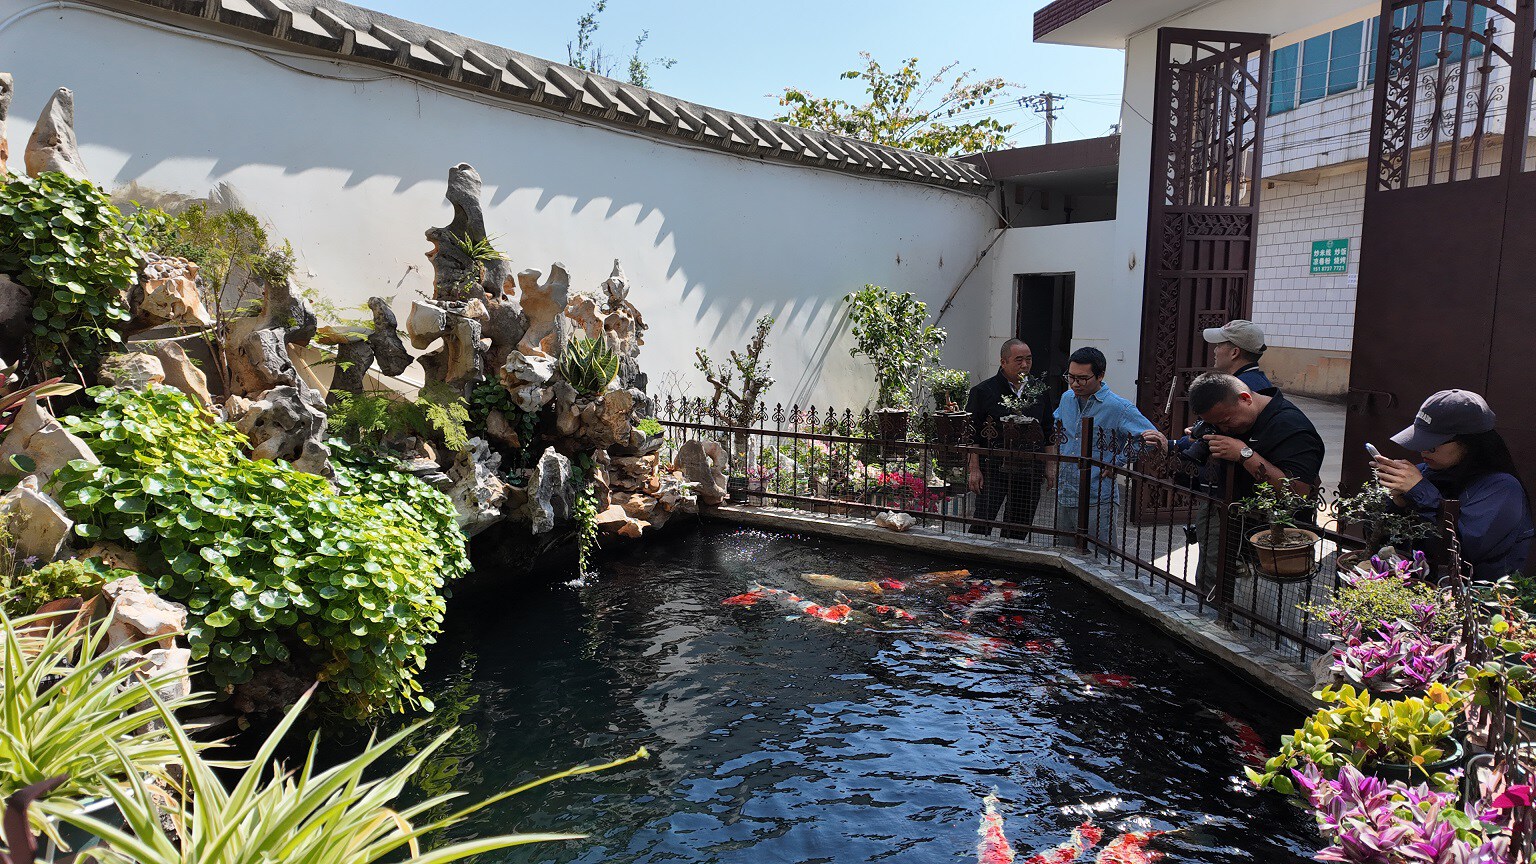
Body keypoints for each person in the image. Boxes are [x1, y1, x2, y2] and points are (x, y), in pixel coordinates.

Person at [1185, 373, 1325, 604]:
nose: (1224, 428)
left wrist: (1244, 454)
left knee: (1268, 613)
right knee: (1224, 605)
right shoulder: (1235, 421)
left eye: (1226, 421)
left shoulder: (1292, 428)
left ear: (1245, 398)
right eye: (1216, 424)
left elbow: (1298, 492)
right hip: (1234, 537)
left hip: (1276, 549)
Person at [1373, 389, 1534, 582]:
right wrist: (1397, 504)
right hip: (1420, 587)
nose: (1423, 450)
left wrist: (1421, 493)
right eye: (1419, 440)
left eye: (1432, 444)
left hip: (1475, 596)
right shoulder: (1425, 472)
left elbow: (1459, 552)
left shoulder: (1502, 488)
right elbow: (1384, 542)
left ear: (1470, 443)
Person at [1045, 347, 1167, 549]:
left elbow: (1151, 438)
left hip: (1097, 497)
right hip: (1066, 493)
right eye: (1071, 377)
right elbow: (1056, 425)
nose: (1075, 384)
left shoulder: (1118, 407)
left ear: (1100, 375)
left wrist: (1117, 461)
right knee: (1063, 553)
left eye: (1082, 379)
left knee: (1099, 557)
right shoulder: (1067, 398)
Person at [965, 339, 1052, 539]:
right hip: (993, 468)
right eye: (1018, 360)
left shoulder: (1039, 391)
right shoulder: (983, 391)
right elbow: (971, 433)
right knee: (982, 524)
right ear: (1003, 362)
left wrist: (1050, 465)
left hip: (1030, 469)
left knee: (1018, 528)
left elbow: (1048, 429)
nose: (1025, 365)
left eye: (1029, 359)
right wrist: (974, 469)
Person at [1201, 319, 1277, 395]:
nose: (1215, 350)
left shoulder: (1236, 390)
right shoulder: (1259, 381)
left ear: (1234, 353)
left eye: (1219, 345)